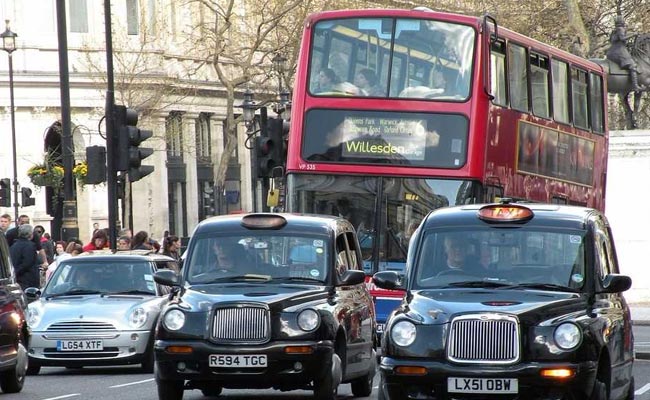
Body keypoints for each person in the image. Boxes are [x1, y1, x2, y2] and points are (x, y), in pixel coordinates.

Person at [606, 14, 642, 92]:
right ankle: (635, 86)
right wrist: (633, 34)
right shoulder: (620, 29)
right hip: (618, 51)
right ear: (622, 22)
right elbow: (622, 38)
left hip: (611, 52)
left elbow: (615, 41)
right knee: (632, 65)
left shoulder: (614, 30)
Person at [9, 224, 39, 290]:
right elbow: (27, 263)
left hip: (17, 278)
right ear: (30, 234)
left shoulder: (14, 245)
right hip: (27, 280)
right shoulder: (30, 246)